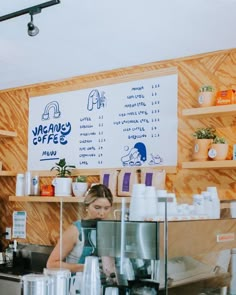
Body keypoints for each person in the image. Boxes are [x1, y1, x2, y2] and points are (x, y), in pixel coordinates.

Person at [46, 184, 114, 273]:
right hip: (77, 284)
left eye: (106, 208)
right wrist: (86, 268)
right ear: (87, 207)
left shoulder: (110, 229)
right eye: (97, 207)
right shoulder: (75, 230)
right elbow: (51, 264)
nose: (102, 213)